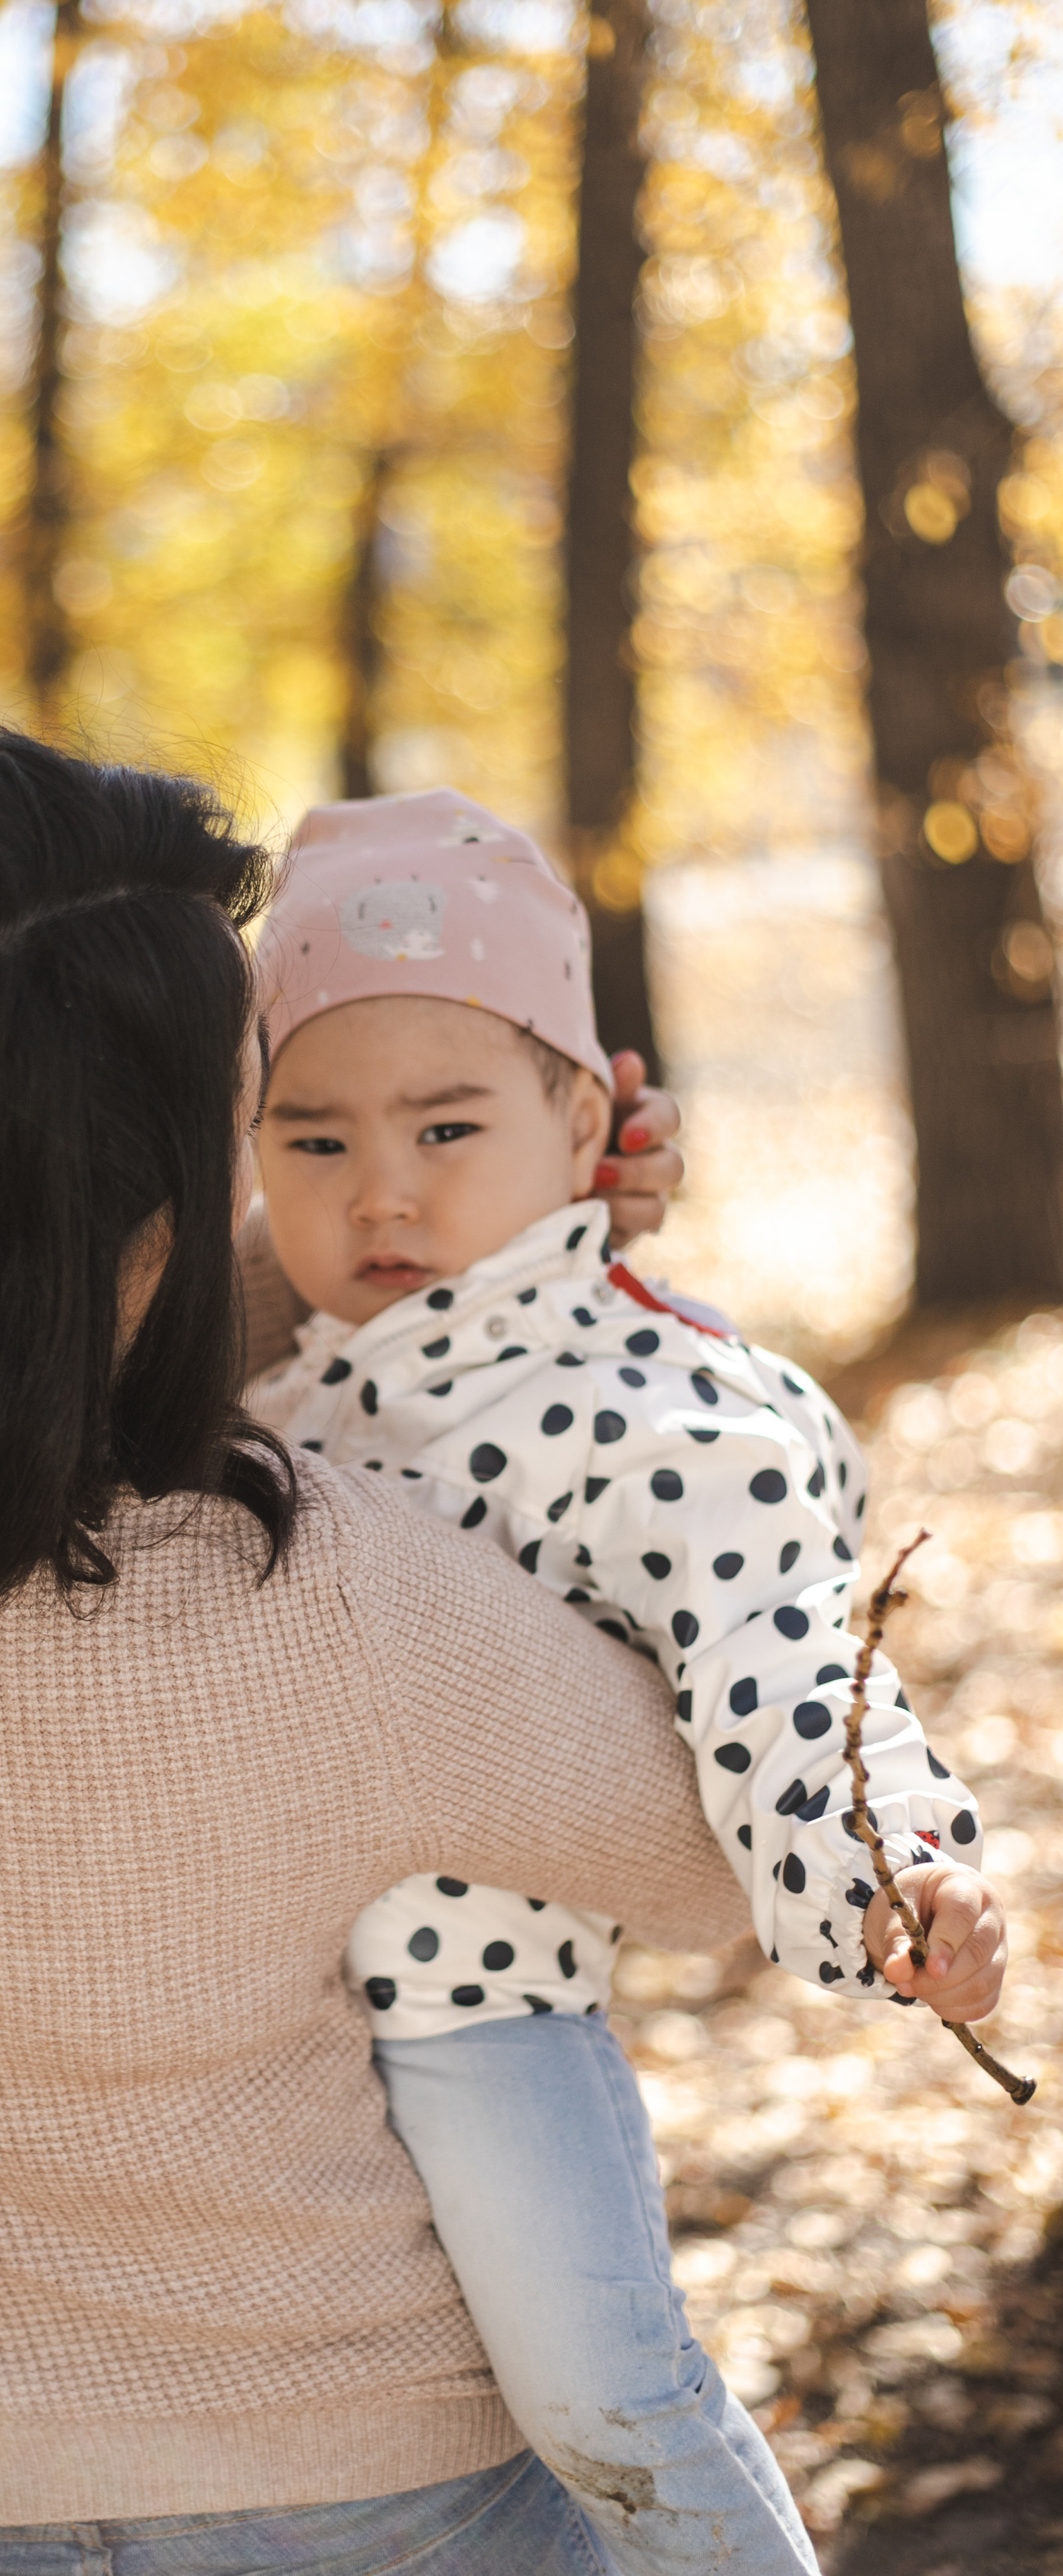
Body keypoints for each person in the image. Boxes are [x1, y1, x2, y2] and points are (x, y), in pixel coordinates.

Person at [0, 729, 751, 2576]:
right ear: (130, 1242)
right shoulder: (327, 1606)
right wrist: (519, 1291)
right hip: (374, 2504)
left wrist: (396, 1247)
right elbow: (722, 1860)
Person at [247, 787, 1010, 2576]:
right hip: (252, 2013)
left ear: (582, 1117)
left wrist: (893, 1875)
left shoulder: (650, 1411)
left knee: (604, 2396)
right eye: (315, 1143)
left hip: (475, 2014)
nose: (386, 1193)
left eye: (448, 1128)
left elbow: (785, 1656)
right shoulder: (286, 1390)